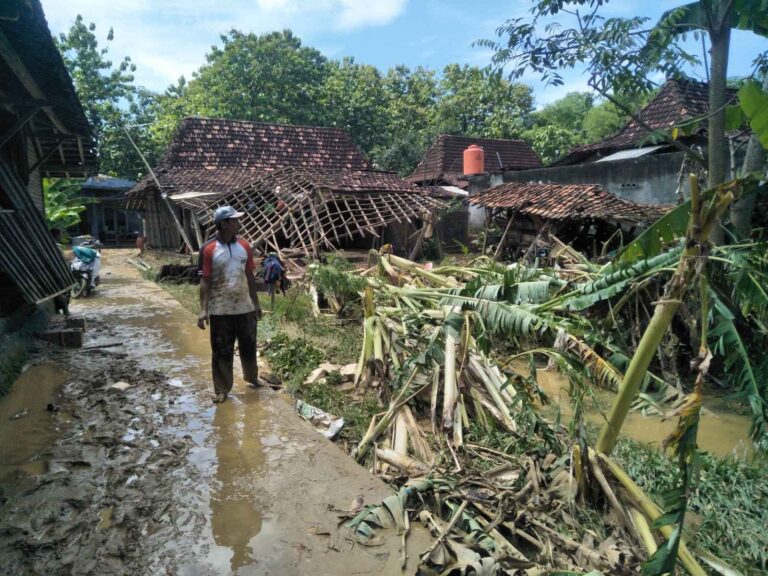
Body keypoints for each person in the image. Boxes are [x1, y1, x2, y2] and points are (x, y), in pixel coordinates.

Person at [197, 206, 263, 403]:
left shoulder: (244, 245)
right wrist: (203, 310)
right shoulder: (208, 249)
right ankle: (222, 389)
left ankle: (251, 377)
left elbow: (249, 275)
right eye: (234, 220)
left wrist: (256, 304)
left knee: (249, 346)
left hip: (245, 307)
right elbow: (205, 281)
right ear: (224, 224)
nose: (238, 222)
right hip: (220, 309)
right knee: (222, 350)